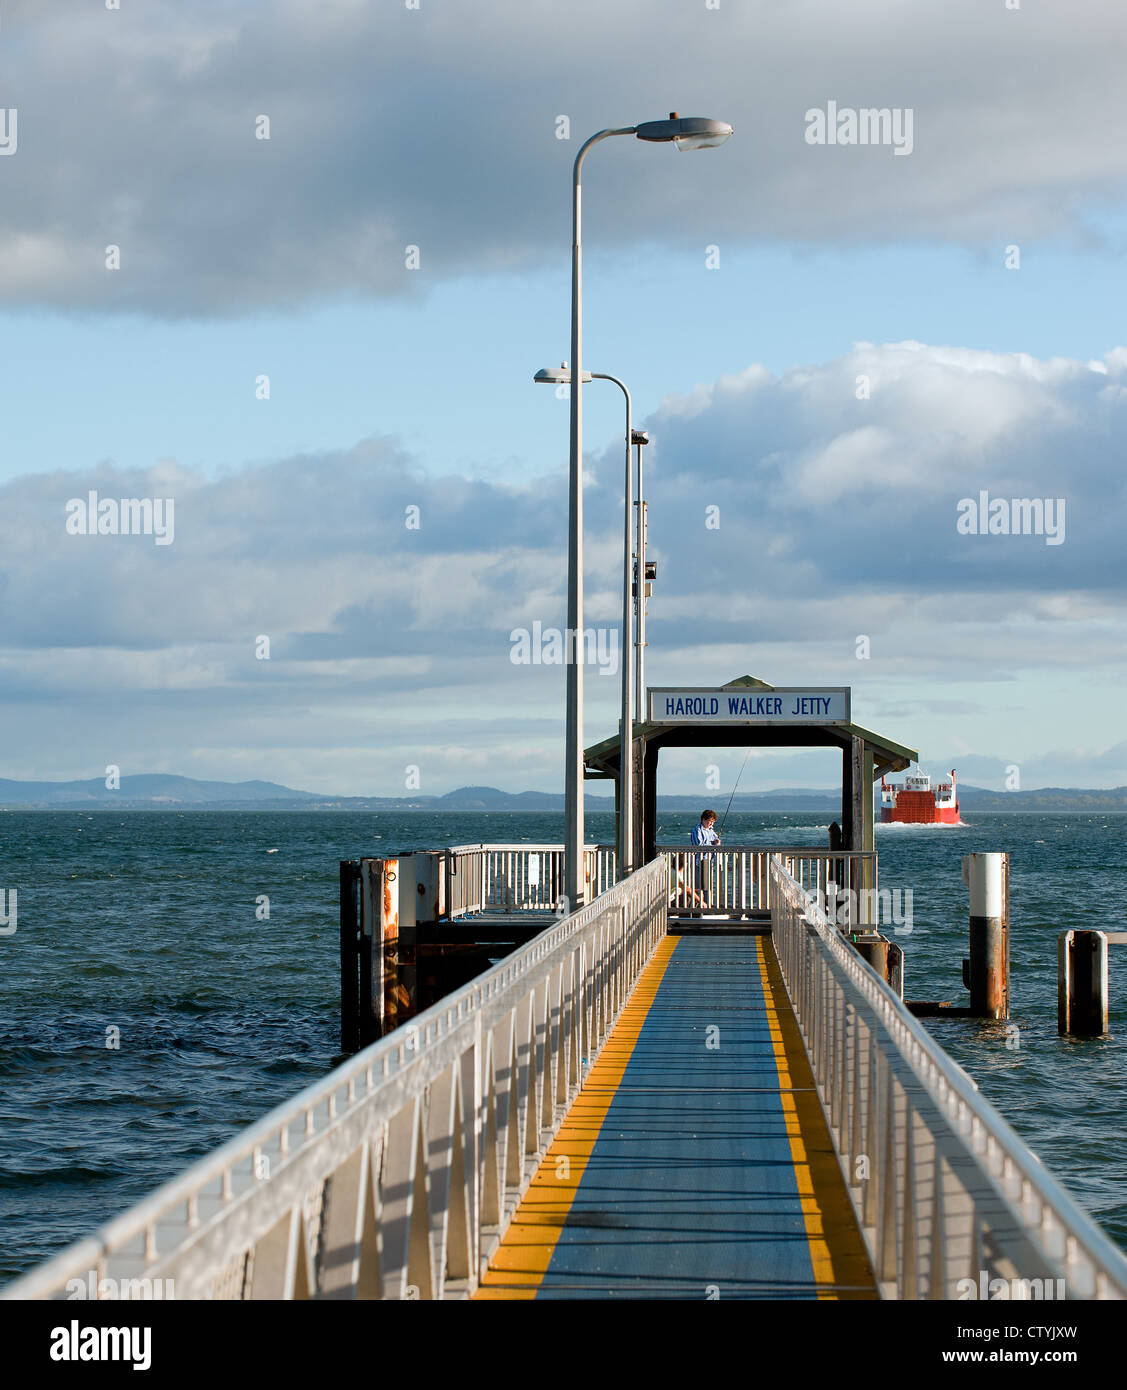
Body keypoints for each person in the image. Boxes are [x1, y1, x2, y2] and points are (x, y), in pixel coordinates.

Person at [687, 809, 721, 909]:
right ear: (703, 819)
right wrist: (712, 844)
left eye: (712, 822)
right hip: (699, 861)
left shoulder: (711, 831)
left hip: (709, 860)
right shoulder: (697, 830)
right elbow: (699, 845)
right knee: (699, 885)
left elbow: (717, 844)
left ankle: (707, 904)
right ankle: (699, 905)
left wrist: (717, 842)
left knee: (708, 885)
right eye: (709, 821)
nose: (710, 823)